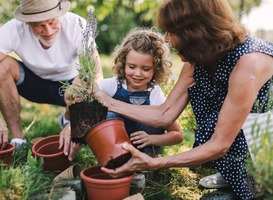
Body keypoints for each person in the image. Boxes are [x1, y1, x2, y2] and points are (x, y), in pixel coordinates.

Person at [92, 0, 273, 199]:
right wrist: (107, 101)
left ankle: (252, 179)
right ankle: (233, 175)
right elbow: (165, 113)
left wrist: (155, 162)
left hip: (263, 142)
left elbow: (220, 144)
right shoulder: (199, 59)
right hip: (234, 136)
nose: (166, 40)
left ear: (195, 33)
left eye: (171, 32)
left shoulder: (249, 63)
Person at [62, 28, 183, 159]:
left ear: (156, 68)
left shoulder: (154, 94)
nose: (137, 73)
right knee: (107, 113)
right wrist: (70, 124)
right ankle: (111, 156)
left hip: (145, 152)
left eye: (146, 69)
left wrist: (152, 139)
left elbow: (177, 134)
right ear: (123, 63)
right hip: (114, 149)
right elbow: (81, 102)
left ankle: (146, 163)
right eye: (132, 67)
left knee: (152, 117)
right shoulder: (113, 85)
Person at [0, 0, 103, 150]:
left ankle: (68, 118)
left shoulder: (77, 25)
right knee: (2, 67)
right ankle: (18, 140)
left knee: (87, 83)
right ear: (27, 23)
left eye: (52, 22)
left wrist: (76, 123)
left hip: (71, 86)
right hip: (34, 85)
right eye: (39, 25)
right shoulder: (14, 28)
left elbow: (97, 76)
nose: (48, 31)